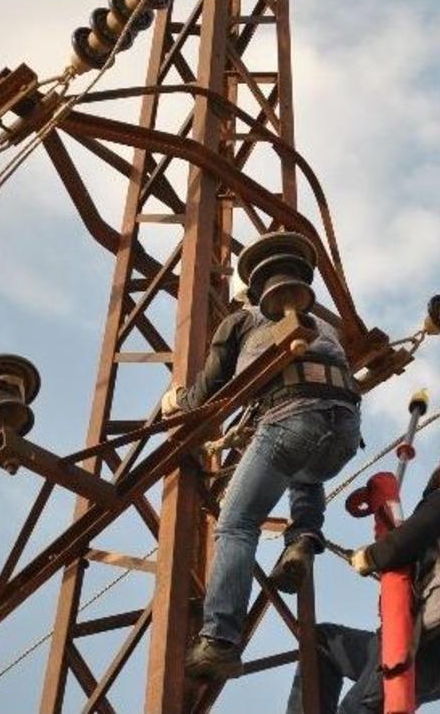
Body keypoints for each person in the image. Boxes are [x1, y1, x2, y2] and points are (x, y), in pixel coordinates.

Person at [161, 282, 362, 681]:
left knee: (236, 524)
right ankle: (303, 539)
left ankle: (219, 641)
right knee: (302, 469)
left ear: (247, 294)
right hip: (344, 434)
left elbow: (207, 392)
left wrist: (178, 402)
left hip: (290, 421)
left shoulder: (241, 320)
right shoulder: (321, 324)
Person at [285, 433, 440, 714]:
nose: (439, 467)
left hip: (424, 645)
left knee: (358, 708)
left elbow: (402, 544)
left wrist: (370, 557)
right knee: (322, 642)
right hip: (439, 655)